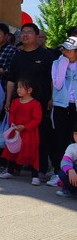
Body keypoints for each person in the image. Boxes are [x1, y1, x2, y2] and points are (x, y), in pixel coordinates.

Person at [4, 23, 58, 179]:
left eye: (29, 32)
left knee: (41, 136)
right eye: (23, 32)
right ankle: (14, 167)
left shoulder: (47, 55)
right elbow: (11, 80)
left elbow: (52, 79)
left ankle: (41, 169)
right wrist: (8, 100)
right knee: (16, 134)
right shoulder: (17, 56)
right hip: (18, 103)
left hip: (40, 103)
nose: (25, 35)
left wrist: (52, 98)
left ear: (37, 36)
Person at [0, 79, 43, 185]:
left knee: (32, 152)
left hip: (29, 133)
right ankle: (9, 170)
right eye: (17, 87)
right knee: (12, 150)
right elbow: (12, 114)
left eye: (20, 87)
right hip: (16, 131)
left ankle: (35, 175)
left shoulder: (35, 104)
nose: (18, 89)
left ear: (29, 90)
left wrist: (25, 127)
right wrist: (13, 124)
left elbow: (36, 119)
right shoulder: (15, 102)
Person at [50, 36, 77, 185]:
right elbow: (58, 84)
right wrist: (64, 63)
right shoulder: (57, 63)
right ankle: (59, 173)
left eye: (69, 49)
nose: (65, 51)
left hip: (76, 105)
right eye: (64, 48)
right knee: (60, 138)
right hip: (61, 104)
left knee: (74, 139)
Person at [55, 124, 77, 197]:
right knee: (62, 173)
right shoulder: (72, 147)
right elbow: (65, 161)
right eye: (75, 134)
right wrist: (70, 170)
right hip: (74, 174)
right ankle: (70, 191)